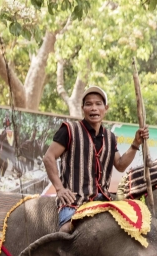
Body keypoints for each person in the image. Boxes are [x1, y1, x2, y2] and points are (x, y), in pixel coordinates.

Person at [43, 86, 148, 229]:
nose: (94, 108)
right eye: (89, 104)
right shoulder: (69, 130)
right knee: (66, 230)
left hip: (102, 200)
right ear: (83, 108)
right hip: (75, 201)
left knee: (133, 223)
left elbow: (120, 165)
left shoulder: (110, 137)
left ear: (106, 108)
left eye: (98, 104)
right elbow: (49, 157)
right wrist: (60, 189)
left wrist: (136, 143)